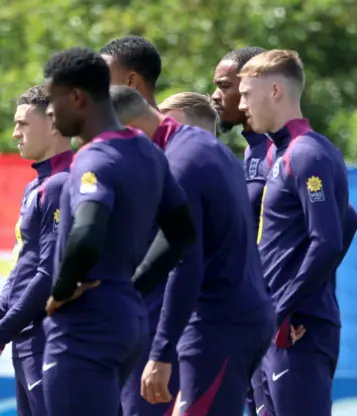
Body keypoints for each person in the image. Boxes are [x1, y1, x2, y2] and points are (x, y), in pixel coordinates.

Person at [40, 46, 195, 416]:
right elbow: (182, 231)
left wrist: (61, 292)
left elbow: (89, 229)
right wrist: (133, 284)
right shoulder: (148, 152)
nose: (50, 112)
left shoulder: (93, 158)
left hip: (86, 323)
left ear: (77, 97)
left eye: (53, 101)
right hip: (128, 317)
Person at [109, 85, 275, 416]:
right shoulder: (200, 147)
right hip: (231, 320)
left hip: (219, 324)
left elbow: (187, 262)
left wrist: (161, 352)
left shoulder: (181, 163)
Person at [237, 49, 357, 416]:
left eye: (246, 94)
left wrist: (283, 307)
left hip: (296, 330)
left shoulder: (306, 153)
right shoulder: (280, 154)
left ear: (275, 90)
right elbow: (347, 221)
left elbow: (327, 241)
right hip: (278, 327)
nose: (242, 105)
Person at [100, 35, 181, 416]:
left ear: (131, 83)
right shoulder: (114, 147)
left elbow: (186, 245)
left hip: (158, 330)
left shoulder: (176, 150)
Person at [0, 85, 73, 416]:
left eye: (23, 124)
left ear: (54, 123)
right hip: (26, 336)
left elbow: (49, 272)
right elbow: (23, 265)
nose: (15, 133)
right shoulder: (38, 183)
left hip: (49, 337)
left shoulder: (64, 182)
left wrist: (5, 326)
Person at [211, 46, 270, 416]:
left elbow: (341, 224)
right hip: (249, 319)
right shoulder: (250, 153)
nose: (216, 95)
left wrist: (292, 301)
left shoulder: (287, 151)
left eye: (225, 86)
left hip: (278, 320)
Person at [212, 47, 272, 235]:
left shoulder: (281, 150)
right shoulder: (252, 149)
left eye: (224, 86)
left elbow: (345, 221)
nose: (214, 95)